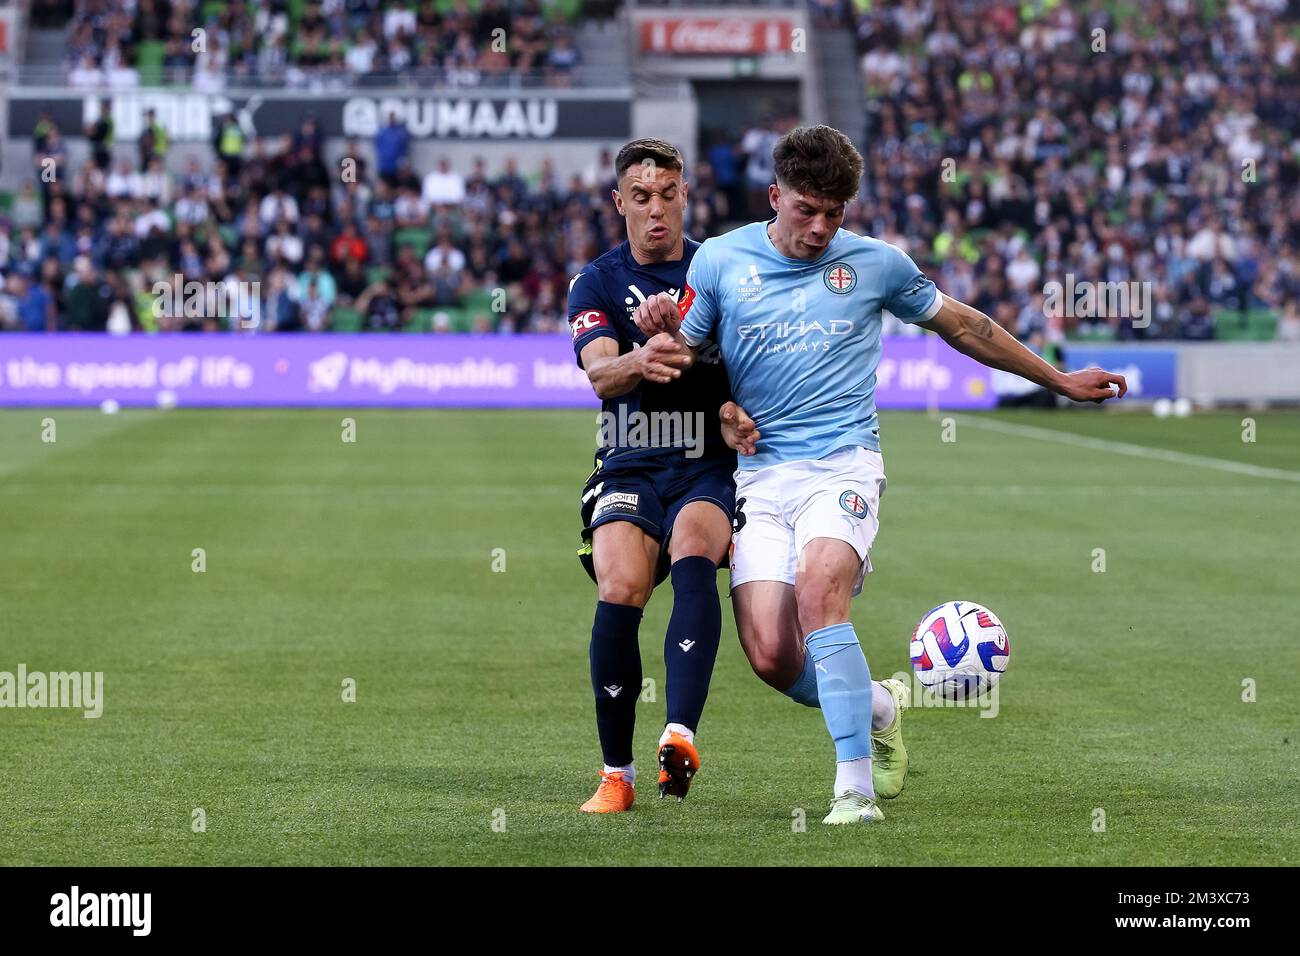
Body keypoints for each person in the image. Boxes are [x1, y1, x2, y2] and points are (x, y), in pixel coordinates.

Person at [635, 125, 1128, 824]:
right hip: (761, 476)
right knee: (772, 654)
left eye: (835, 214)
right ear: (776, 197)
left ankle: (853, 791)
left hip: (844, 463)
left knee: (820, 591)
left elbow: (964, 324)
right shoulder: (719, 261)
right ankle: (878, 705)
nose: (820, 228)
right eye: (806, 210)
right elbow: (684, 360)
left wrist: (1057, 380)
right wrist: (689, 368)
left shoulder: (876, 265)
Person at [568, 138, 736, 813]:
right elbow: (601, 374)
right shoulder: (597, 281)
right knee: (621, 583)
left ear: (685, 195)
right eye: (642, 198)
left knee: (696, 548)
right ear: (619, 203)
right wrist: (652, 350)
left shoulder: (718, 270)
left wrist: (708, 377)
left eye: (668, 195)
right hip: (631, 456)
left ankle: (679, 736)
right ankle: (617, 775)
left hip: (704, 461)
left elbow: (743, 371)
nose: (656, 209)